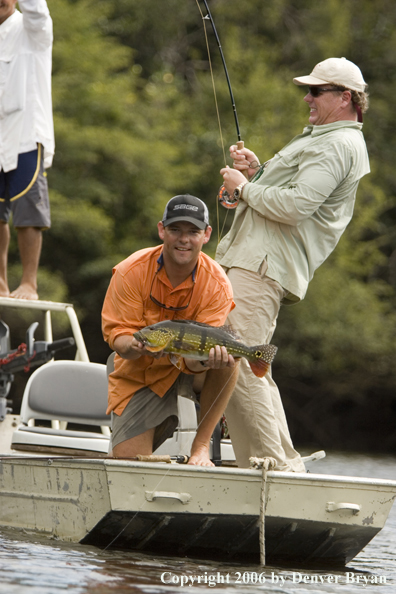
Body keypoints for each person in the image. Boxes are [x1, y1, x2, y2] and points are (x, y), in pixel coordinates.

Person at [216, 57, 370, 471]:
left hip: (263, 267)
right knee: (249, 365)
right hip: (253, 260)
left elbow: (298, 206)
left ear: (345, 98)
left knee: (239, 363)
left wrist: (245, 187)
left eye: (316, 91)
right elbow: (294, 191)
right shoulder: (324, 138)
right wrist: (259, 171)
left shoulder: (338, 144)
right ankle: (283, 463)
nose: (308, 97)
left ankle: (276, 470)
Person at [102, 194, 238, 467]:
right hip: (140, 371)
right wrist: (133, 345)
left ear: (207, 234)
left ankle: (201, 449)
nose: (183, 239)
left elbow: (194, 356)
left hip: (191, 365)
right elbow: (118, 336)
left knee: (229, 363)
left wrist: (204, 361)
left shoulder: (218, 285)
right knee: (128, 463)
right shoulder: (131, 271)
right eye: (175, 230)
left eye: (193, 232)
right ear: (162, 229)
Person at [0, 0, 54, 300]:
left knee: (27, 208)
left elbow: (37, 10)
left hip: (26, 133)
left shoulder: (33, 28)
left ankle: (29, 283)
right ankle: (1, 282)